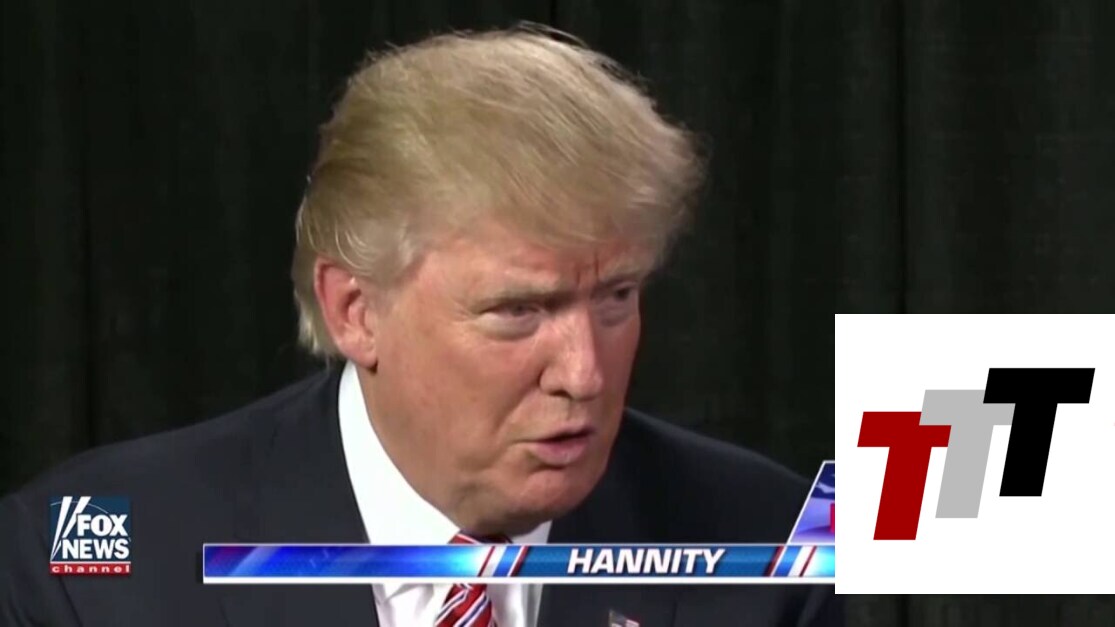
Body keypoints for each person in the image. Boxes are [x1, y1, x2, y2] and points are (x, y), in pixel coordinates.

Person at [0, 26, 840, 627]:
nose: (583, 373)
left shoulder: (770, 545)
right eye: (518, 310)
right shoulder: (94, 566)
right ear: (355, 310)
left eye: (615, 296)